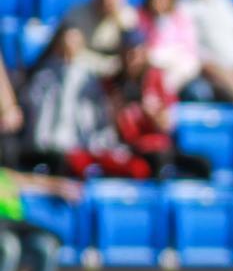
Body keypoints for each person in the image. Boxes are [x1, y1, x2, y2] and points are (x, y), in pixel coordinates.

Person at [23, 25, 152, 180]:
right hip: (50, 148)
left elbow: (95, 121)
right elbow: (39, 121)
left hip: (84, 147)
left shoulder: (89, 79)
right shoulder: (43, 78)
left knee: (136, 168)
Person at [105, 30, 211, 180]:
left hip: (161, 146)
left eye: (135, 54)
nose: (132, 60)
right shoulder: (113, 86)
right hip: (134, 150)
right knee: (157, 162)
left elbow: (166, 124)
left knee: (203, 164)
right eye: (127, 54)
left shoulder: (155, 78)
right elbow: (115, 131)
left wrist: (150, 112)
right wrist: (119, 110)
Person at [0, 167, 81, 271]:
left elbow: (30, 181)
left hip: (14, 227)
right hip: (5, 235)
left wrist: (59, 186)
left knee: (45, 246)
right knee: (8, 247)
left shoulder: (5, 176)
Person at [60, 0, 139, 79]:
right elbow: (70, 53)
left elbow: (133, 56)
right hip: (83, 71)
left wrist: (117, 18)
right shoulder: (77, 13)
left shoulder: (128, 16)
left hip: (117, 77)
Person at [137, 0, 201, 96]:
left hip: (177, 79)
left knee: (199, 91)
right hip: (146, 77)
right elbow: (140, 54)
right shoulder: (138, 17)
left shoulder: (182, 18)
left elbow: (190, 58)